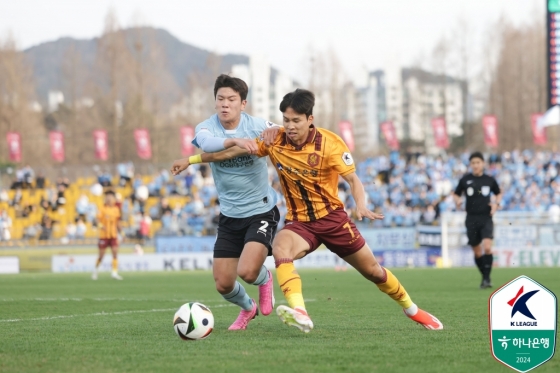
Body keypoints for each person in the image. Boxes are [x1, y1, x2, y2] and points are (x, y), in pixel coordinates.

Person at [190, 88, 443, 333]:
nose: (290, 126)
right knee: (280, 247)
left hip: (333, 220)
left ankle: (413, 310)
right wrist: (192, 160)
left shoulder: (330, 143)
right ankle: (300, 312)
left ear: (310, 119)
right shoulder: (274, 140)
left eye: (296, 121)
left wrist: (361, 204)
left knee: (374, 271)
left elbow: (353, 180)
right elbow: (232, 153)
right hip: (300, 223)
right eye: (286, 120)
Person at [170, 74, 281, 330]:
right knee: (223, 283)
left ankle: (265, 280)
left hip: (261, 210)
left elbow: (282, 132)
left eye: (232, 99)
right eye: (220, 99)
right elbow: (207, 145)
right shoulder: (206, 127)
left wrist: (278, 130)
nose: (225, 104)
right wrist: (234, 140)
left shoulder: (256, 125)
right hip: (230, 215)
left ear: (243, 103)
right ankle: (248, 308)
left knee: (249, 271)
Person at [453, 152, 501, 289]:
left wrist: (496, 204)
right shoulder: (465, 180)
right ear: (470, 164)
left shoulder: (489, 180)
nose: (475, 165)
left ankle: (486, 278)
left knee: (487, 247)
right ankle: (485, 277)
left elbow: (498, 193)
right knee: (477, 251)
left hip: (486, 217)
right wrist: (457, 201)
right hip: (471, 218)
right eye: (473, 163)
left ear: (483, 163)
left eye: (478, 162)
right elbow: (456, 194)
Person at [92, 190, 123, 280]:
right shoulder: (101, 208)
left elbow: (118, 222)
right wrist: (101, 226)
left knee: (115, 253)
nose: (109, 200)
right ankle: (95, 270)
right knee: (101, 256)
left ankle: (114, 272)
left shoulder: (116, 209)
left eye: (111, 198)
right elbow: (97, 220)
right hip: (103, 236)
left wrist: (122, 233)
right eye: (108, 198)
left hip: (113, 235)